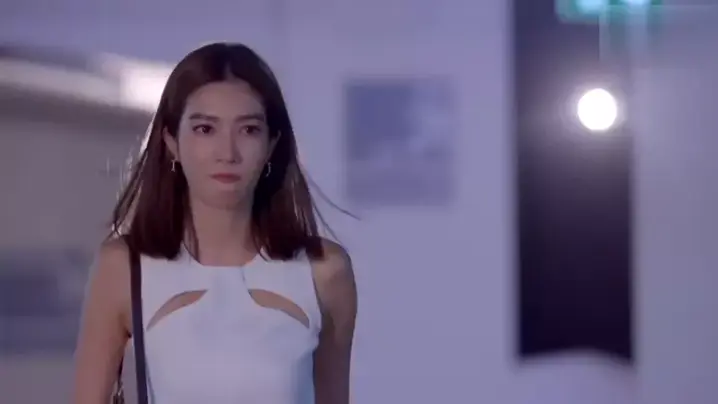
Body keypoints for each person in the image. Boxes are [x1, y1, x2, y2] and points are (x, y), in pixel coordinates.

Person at [72, 42, 357, 404]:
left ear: (272, 144)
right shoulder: (125, 267)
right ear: (171, 141)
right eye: (205, 129)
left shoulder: (324, 272)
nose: (227, 153)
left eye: (248, 130)